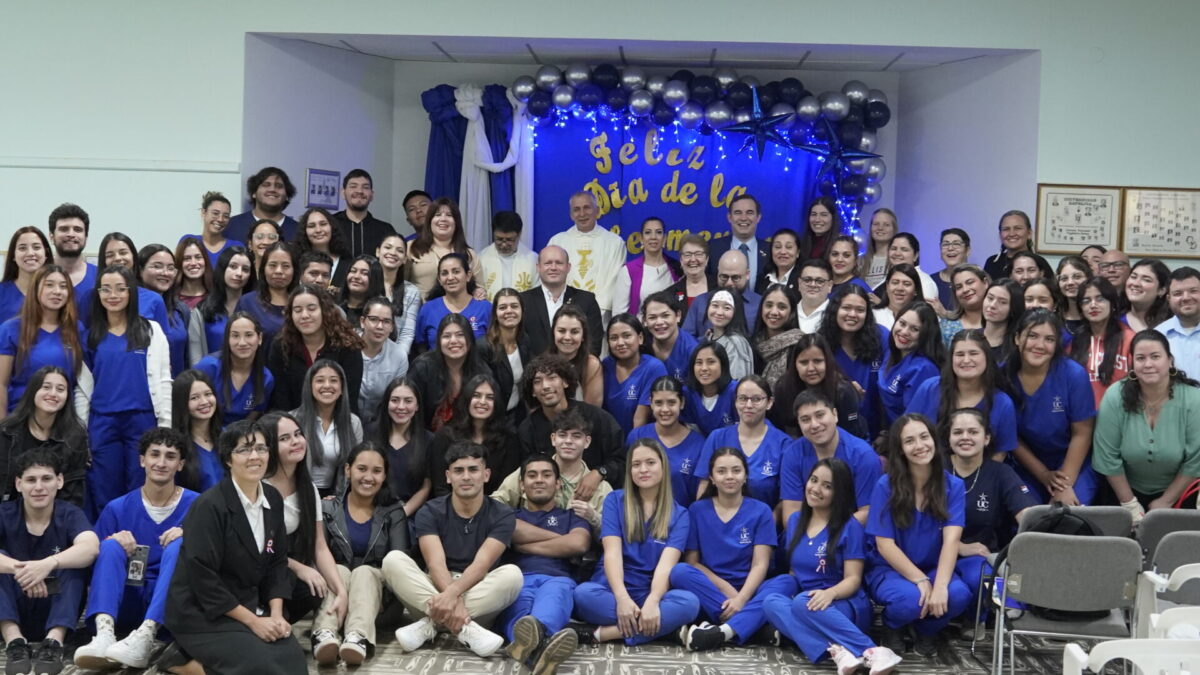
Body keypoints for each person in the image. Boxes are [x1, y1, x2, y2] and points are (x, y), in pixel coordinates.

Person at [164, 420, 308, 674]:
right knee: (262, 667)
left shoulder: (272, 499)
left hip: (247, 601)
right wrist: (254, 622)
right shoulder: (209, 506)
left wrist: (276, 615)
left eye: (261, 449)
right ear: (228, 459)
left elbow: (277, 563)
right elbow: (203, 579)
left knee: (294, 664)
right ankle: (184, 663)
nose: (255, 457)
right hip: (202, 612)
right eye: (244, 450)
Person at [74, 428, 199, 670]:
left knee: (181, 544)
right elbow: (94, 566)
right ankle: (104, 633)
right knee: (109, 544)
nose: (161, 463)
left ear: (180, 465)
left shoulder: (199, 505)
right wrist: (112, 539)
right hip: (128, 599)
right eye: (155, 454)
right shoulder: (117, 508)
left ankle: (147, 633)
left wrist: (190, 533)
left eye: (170, 456)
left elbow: (215, 560)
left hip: (173, 606)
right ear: (143, 460)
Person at [764, 459, 902, 674]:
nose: (816, 489)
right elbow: (795, 570)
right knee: (772, 602)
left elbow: (854, 579)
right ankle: (838, 651)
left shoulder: (850, 526)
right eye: (814, 480)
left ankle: (873, 650)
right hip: (810, 604)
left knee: (802, 602)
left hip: (845, 602)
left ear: (840, 493)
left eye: (827, 486)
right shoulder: (794, 521)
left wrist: (830, 593)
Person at [386, 442, 523, 657]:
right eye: (459, 471)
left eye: (473, 470)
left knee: (513, 575)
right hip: (435, 587)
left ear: (486, 475)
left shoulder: (502, 514)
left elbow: (481, 565)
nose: (466, 477)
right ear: (448, 476)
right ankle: (465, 627)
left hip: (477, 590)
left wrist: (451, 596)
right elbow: (435, 564)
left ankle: (430, 623)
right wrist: (450, 596)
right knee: (393, 560)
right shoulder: (430, 511)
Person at [571, 439, 700, 646]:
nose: (643, 470)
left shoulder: (680, 514)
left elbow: (666, 566)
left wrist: (653, 601)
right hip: (612, 590)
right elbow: (612, 553)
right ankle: (662, 630)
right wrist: (622, 599)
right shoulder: (615, 500)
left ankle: (600, 634)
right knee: (583, 595)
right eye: (636, 464)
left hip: (650, 591)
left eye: (650, 463)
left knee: (689, 603)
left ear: (663, 466)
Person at [866, 414, 971, 656]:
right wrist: (921, 581)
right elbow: (884, 545)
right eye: (910, 441)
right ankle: (893, 626)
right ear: (901, 450)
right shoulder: (885, 485)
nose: (920, 445)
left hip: (934, 566)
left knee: (957, 594)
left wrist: (940, 585)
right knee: (910, 599)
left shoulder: (953, 486)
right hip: (890, 568)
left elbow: (952, 540)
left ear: (934, 440)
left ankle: (926, 629)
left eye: (924, 437)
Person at [79, 265, 173, 517]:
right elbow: (82, 389)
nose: (113, 295)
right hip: (102, 422)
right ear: (98, 294)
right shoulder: (90, 336)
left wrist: (165, 425)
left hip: (142, 421)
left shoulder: (151, 331)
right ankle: (106, 545)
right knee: (103, 488)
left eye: (121, 289)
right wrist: (82, 431)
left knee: (140, 486)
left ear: (131, 292)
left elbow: (164, 380)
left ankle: (137, 548)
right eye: (106, 289)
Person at [671, 447, 782, 651]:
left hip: (750, 587)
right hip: (712, 589)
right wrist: (729, 593)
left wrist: (742, 598)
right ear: (711, 478)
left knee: (786, 582)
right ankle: (753, 626)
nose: (729, 476)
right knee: (679, 572)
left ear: (746, 476)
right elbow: (692, 562)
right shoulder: (696, 510)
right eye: (721, 471)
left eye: (736, 470)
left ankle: (723, 630)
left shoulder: (761, 511)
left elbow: (760, 564)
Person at [0, 451, 99, 675]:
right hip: (11, 607)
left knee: (73, 561)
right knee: (1, 558)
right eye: (31, 480)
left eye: (46, 479)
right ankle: (14, 641)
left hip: (55, 604)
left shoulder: (70, 514)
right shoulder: (4, 513)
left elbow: (91, 547)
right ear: (18, 484)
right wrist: (23, 571)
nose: (38, 487)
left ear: (59, 481)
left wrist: (48, 564)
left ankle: (54, 643)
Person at [310, 442, 408, 666]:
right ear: (348, 470)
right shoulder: (327, 510)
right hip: (334, 594)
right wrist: (343, 589)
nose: (368, 477)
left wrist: (381, 593)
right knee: (340, 569)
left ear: (384, 476)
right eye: (361, 469)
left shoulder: (394, 512)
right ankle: (325, 634)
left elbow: (399, 564)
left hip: (380, 602)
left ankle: (358, 638)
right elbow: (318, 558)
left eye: (376, 471)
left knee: (365, 571)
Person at [944, 409, 1037, 635]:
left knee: (985, 575)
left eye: (973, 431)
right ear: (948, 438)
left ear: (986, 438)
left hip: (978, 556)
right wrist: (959, 547)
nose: (965, 437)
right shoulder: (934, 470)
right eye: (958, 432)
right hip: (931, 553)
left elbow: (1029, 517)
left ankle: (975, 618)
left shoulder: (1000, 473)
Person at [495, 455, 589, 674]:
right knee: (519, 612)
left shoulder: (571, 516)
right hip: (517, 578)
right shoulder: (509, 515)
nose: (539, 480)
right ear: (521, 484)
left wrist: (526, 546)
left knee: (553, 599)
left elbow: (578, 543)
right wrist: (559, 541)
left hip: (557, 579)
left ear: (557, 484)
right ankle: (542, 650)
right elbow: (512, 529)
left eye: (547, 475)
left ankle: (529, 648)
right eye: (532, 475)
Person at [1093, 330, 1200, 516]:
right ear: (1132, 364)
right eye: (1141, 358)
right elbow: (1108, 456)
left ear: (1170, 360)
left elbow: (1195, 461)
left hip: (1180, 492)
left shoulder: (1193, 399)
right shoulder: (1115, 396)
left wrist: (1166, 502)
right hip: (1122, 491)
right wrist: (1129, 504)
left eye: (1155, 356)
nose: (1148, 364)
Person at [259, 411, 348, 628]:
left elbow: (320, 547)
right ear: (269, 447)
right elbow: (258, 548)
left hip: (285, 571)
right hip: (259, 571)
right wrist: (300, 567)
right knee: (297, 578)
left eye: (298, 434)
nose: (296, 442)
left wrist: (341, 590)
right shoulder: (259, 487)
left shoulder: (307, 489)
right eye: (284, 438)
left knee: (316, 589)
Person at [1005, 309, 1098, 505]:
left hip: (1075, 461)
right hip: (1028, 464)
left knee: (1071, 512)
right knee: (1029, 515)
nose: (1039, 345)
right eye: (1032, 336)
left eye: (1049, 339)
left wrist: (1063, 485)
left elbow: (1083, 433)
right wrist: (1043, 474)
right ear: (1016, 338)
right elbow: (1011, 436)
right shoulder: (1003, 375)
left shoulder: (1073, 375)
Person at [516, 353, 625, 495]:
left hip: (596, 498)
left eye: (552, 377)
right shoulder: (527, 429)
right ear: (533, 392)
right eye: (537, 381)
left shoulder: (596, 417)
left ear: (565, 382)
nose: (545, 386)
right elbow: (526, 474)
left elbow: (621, 460)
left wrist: (599, 473)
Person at [492, 408, 612, 529]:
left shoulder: (602, 487)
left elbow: (614, 531)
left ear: (587, 442)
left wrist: (593, 517)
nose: (568, 441)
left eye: (576, 436)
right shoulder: (531, 472)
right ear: (553, 439)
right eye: (562, 435)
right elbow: (495, 504)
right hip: (528, 541)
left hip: (581, 545)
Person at [906, 329, 1019, 459]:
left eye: (973, 353)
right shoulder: (929, 388)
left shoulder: (1003, 403)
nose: (966, 360)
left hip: (980, 473)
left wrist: (979, 478)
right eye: (960, 354)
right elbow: (907, 431)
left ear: (987, 357)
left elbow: (1000, 452)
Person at [780, 390, 881, 524]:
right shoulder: (793, 453)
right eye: (805, 419)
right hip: (806, 534)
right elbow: (791, 513)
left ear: (835, 415)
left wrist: (827, 537)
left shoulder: (863, 456)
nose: (814, 425)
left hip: (849, 535)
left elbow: (868, 512)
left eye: (820, 415)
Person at [694, 375, 791, 506]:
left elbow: (786, 498)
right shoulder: (717, 438)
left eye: (757, 399)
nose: (749, 405)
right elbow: (704, 484)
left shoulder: (783, 444)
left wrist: (766, 522)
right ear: (735, 402)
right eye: (743, 399)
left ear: (769, 403)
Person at [267, 285, 364, 415]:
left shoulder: (347, 347)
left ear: (324, 311)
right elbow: (281, 400)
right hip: (293, 422)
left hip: (339, 420)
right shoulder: (281, 346)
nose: (304, 315)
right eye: (297, 310)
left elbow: (349, 398)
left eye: (311, 309)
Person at [0, 265, 83, 414]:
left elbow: (81, 383)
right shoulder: (11, 329)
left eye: (63, 286)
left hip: (63, 421)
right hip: (20, 419)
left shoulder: (77, 329)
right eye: (49, 285)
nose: (57, 291)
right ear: (36, 289)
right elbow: (2, 384)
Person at [0, 366, 88, 505]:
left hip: (55, 516)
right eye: (46, 387)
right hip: (8, 514)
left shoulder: (75, 436)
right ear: (33, 391)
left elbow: (73, 494)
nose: (53, 394)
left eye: (60, 389)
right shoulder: (6, 431)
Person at [427, 374, 522, 497]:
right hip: (450, 510)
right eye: (476, 396)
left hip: (494, 510)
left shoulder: (509, 440)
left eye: (489, 397)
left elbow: (505, 490)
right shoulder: (444, 437)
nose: (482, 402)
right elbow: (441, 488)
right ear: (467, 399)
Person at [820, 284, 889, 439]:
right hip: (835, 432)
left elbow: (893, 378)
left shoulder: (881, 337)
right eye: (846, 308)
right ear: (835, 309)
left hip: (880, 429)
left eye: (860, 310)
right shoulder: (821, 343)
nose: (852, 314)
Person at [768, 333, 867, 440]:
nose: (811, 368)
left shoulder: (843, 391)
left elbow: (851, 434)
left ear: (828, 362)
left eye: (817, 361)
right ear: (795, 364)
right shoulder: (783, 388)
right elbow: (780, 429)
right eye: (804, 362)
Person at [626, 376, 705, 507]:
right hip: (641, 519)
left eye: (671, 403)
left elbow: (700, 494)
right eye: (658, 403)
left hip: (682, 521)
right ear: (650, 403)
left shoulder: (699, 444)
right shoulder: (636, 437)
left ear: (682, 403)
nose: (665, 409)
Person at [549, 191, 629, 319]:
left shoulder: (614, 243)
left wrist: (595, 313)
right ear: (571, 215)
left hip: (599, 317)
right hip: (563, 315)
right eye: (576, 209)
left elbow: (613, 282)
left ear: (597, 211)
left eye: (587, 208)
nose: (582, 214)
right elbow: (550, 279)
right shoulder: (557, 242)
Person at [289, 361, 363, 496]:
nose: (327, 386)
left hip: (337, 496)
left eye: (334, 380)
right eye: (320, 380)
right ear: (310, 386)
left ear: (342, 388)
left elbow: (356, 465)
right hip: (296, 493)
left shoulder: (353, 422)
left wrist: (339, 498)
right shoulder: (292, 420)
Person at [408, 313, 493, 431]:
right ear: (439, 341)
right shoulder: (422, 367)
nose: (453, 341)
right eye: (447, 336)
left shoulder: (482, 371)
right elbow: (410, 410)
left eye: (460, 335)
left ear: (469, 341)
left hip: (466, 440)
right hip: (426, 438)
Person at [518, 245, 603, 358]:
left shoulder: (587, 300)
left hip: (577, 371)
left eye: (559, 263)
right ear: (538, 268)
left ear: (568, 267)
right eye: (548, 263)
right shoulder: (523, 301)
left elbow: (594, 344)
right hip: (535, 372)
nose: (553, 267)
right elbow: (519, 343)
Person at [193, 312, 274, 426]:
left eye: (249, 335)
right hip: (206, 430)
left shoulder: (266, 378)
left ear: (259, 338)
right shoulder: (208, 367)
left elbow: (255, 414)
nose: (242, 343)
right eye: (235, 336)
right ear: (227, 339)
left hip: (240, 435)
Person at [1069, 277, 1134, 408]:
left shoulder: (1130, 339)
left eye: (1100, 299)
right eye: (1086, 301)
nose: (1093, 305)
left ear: (1112, 304)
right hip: (1082, 416)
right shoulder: (1076, 341)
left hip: (1119, 415)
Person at [877, 301, 943, 430]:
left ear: (926, 334)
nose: (904, 332)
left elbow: (916, 421)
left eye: (915, 329)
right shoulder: (891, 351)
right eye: (902, 323)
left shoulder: (923, 369)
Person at [86, 233, 170, 329]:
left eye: (123, 253)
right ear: (103, 261)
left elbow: (162, 339)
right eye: (110, 255)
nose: (117, 258)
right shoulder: (90, 297)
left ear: (133, 256)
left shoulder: (153, 299)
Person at [602, 314, 668, 437]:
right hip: (610, 442)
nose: (620, 343)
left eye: (627, 336)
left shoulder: (653, 368)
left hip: (641, 441)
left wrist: (633, 451)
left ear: (640, 338)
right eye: (614, 338)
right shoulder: (605, 365)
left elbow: (640, 419)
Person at [187, 245, 254, 364]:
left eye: (245, 269)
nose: (239, 273)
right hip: (210, 377)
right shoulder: (202, 310)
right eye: (233, 267)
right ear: (222, 269)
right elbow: (196, 359)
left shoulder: (255, 308)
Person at [407, 198, 484, 300]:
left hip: (459, 314)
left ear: (456, 222)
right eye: (437, 215)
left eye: (449, 215)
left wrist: (479, 292)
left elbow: (480, 289)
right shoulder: (411, 248)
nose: (443, 219)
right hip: (421, 312)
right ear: (429, 221)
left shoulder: (469, 254)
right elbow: (400, 284)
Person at [416, 252, 491, 350]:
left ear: (468, 276)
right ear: (439, 279)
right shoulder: (428, 309)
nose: (450, 278)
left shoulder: (485, 308)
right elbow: (420, 346)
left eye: (456, 271)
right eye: (444, 273)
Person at [477, 288, 530, 426]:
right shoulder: (483, 347)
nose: (509, 311)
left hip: (518, 416)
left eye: (514, 306)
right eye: (502, 307)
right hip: (492, 420)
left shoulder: (524, 341)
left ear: (522, 311)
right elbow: (485, 390)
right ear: (495, 313)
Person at [138, 244, 191, 375]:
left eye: (171, 268)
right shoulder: (130, 306)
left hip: (176, 386)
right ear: (140, 270)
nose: (166, 273)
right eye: (157, 266)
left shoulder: (180, 309)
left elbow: (186, 356)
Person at [683, 249, 762, 338]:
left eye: (735, 278)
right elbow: (685, 340)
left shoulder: (759, 304)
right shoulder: (701, 302)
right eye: (724, 277)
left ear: (747, 274)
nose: (729, 283)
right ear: (718, 272)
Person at [614, 217, 681, 316]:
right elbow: (619, 314)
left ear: (664, 239)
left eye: (658, 232)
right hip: (640, 329)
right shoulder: (629, 271)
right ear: (641, 238)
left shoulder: (677, 268)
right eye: (648, 232)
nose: (653, 237)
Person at [170, 370, 225, 492]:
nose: (204, 402)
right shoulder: (175, 446)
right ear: (182, 403)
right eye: (194, 398)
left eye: (208, 394)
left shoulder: (229, 437)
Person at [235, 241, 297, 348]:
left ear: (295, 270)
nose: (278, 271)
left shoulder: (301, 302)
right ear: (263, 269)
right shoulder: (247, 302)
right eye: (272, 265)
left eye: (286, 266)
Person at [358, 297, 408, 425]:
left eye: (386, 321)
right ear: (363, 322)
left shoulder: (399, 356)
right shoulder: (347, 347)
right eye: (374, 320)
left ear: (392, 327)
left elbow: (396, 398)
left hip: (382, 422)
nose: (380, 326)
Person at [707, 194, 770, 289]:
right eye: (737, 212)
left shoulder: (770, 251)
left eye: (749, 212)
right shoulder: (713, 249)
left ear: (758, 217)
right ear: (729, 217)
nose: (744, 218)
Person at [224, 166, 300, 242]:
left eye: (279, 186)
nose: (272, 189)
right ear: (254, 193)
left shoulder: (299, 231)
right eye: (266, 185)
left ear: (287, 195)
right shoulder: (231, 226)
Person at [333, 169, 397, 258]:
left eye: (365, 187)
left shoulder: (385, 230)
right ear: (343, 193)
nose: (359, 191)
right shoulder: (330, 225)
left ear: (371, 195)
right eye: (353, 186)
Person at [375, 234, 422, 355]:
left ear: (405, 259)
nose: (393, 253)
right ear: (378, 252)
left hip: (395, 359)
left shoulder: (411, 292)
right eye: (388, 247)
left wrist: (397, 361)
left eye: (400, 250)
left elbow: (407, 334)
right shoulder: (365, 284)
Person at [680, 341, 739, 437]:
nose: (704, 368)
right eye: (699, 363)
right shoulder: (688, 393)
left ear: (723, 365)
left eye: (711, 362)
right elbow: (692, 435)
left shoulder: (735, 391)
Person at [550, 305, 604, 405]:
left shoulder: (591, 364)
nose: (567, 337)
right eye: (561, 331)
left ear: (583, 336)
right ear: (553, 333)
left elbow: (592, 412)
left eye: (574, 332)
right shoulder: (543, 364)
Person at [478, 211, 539, 300]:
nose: (504, 244)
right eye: (499, 239)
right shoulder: (481, 259)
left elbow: (537, 293)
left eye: (509, 240)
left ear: (519, 234)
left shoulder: (533, 260)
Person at [753, 284, 804, 387]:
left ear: (792, 312)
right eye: (769, 305)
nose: (774, 312)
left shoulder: (800, 345)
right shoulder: (752, 344)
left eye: (782, 307)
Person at [642, 291, 698, 382]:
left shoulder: (693, 350)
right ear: (644, 321)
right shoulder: (639, 344)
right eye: (652, 317)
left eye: (665, 316)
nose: (659, 322)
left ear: (678, 316)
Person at [46, 203, 97, 304]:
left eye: (77, 230)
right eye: (64, 229)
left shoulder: (100, 277)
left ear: (86, 238)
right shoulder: (38, 276)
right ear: (51, 237)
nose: (71, 234)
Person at [0, 227, 50, 323]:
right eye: (22, 248)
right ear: (13, 256)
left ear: (46, 253)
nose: (30, 253)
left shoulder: (57, 293)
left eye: (36, 247)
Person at [982, 209, 1048, 282]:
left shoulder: (1040, 262)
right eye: (1006, 229)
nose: (1012, 234)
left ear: (1029, 233)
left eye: (1018, 228)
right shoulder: (992, 263)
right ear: (1000, 235)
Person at [296, 207, 351, 291]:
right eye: (311, 226)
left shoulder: (348, 264)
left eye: (323, 224)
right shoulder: (295, 262)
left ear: (332, 227)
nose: (318, 230)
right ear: (304, 231)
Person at [1159, 266, 1200, 379]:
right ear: (1169, 299)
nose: (1186, 298)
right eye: (1178, 293)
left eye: (1193, 291)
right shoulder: (1158, 335)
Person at [704, 289, 753, 380]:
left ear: (736, 312)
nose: (719, 312)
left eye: (727, 308)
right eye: (715, 305)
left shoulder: (735, 343)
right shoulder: (709, 336)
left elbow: (736, 382)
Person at [185, 192, 242, 268]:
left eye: (226, 216)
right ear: (203, 213)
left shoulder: (236, 247)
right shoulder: (188, 241)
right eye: (215, 213)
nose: (220, 219)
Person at [937, 264, 988, 345]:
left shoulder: (1000, 321)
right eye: (959, 287)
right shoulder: (947, 327)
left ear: (985, 283)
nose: (965, 290)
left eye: (970, 282)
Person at [881, 234, 938, 304]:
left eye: (904, 249)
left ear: (916, 255)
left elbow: (924, 313)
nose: (897, 253)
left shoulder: (925, 282)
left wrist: (881, 305)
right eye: (894, 248)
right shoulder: (886, 279)